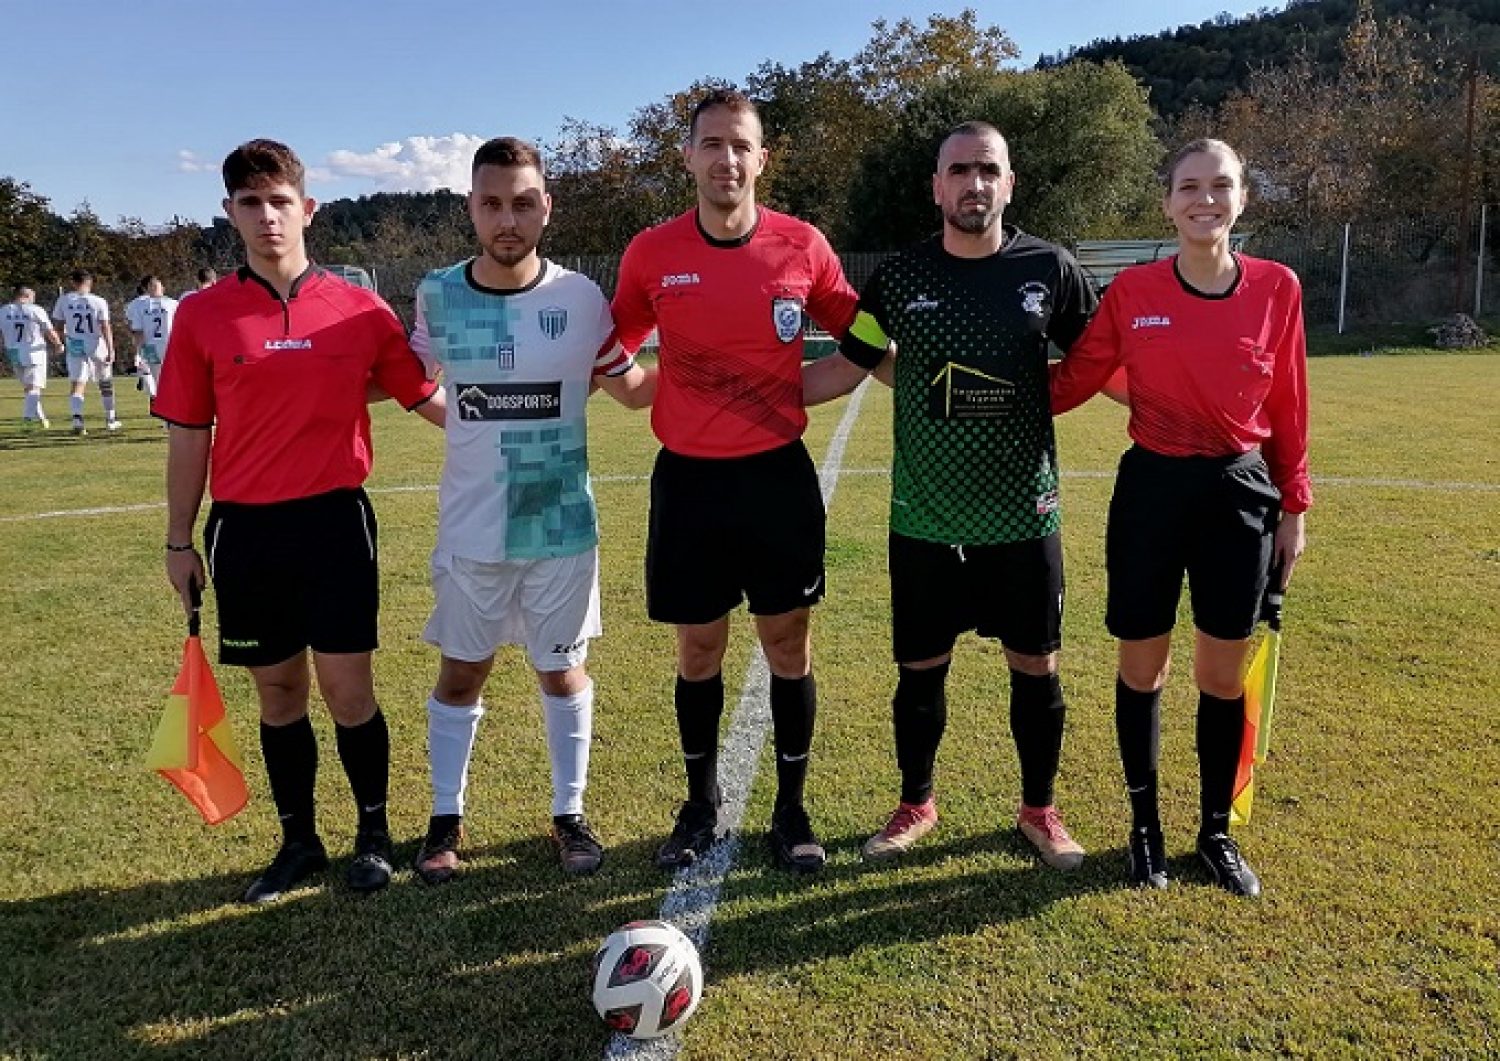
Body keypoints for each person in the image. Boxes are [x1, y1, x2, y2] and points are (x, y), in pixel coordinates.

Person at [154, 138, 445, 904]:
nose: (267, 216)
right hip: (245, 531)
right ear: (230, 212)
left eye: (279, 200)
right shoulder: (202, 315)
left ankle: (374, 834)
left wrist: (514, 423)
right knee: (279, 693)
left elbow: (424, 396)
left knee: (349, 690)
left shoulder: (360, 309)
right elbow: (189, 433)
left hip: (335, 524)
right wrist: (179, 540)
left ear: (307, 208)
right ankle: (298, 841)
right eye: (250, 203)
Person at [804, 121, 1097, 870]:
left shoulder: (1050, 268)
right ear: (936, 187)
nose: (975, 184)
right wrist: (746, 393)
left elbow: (1100, 363)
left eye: (988, 170)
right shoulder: (899, 277)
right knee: (919, 670)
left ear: (1010, 183)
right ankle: (916, 803)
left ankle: (1039, 811)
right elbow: (851, 362)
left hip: (1023, 514)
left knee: (1037, 667)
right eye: (960, 171)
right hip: (926, 517)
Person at [1049, 138, 1310, 898]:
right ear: (1167, 203)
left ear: (1242, 198)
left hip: (1240, 494)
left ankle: (1215, 833)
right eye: (1189, 187)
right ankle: (1144, 829)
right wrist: (990, 385)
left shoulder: (1278, 287)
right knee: (1143, 666)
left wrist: (1294, 506)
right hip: (1152, 492)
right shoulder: (1134, 292)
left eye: (1220, 186)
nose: (1206, 200)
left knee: (1221, 675)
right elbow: (1074, 379)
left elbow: (1289, 401)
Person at [611, 89, 858, 873]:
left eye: (740, 145)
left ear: (761, 158)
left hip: (776, 480)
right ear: (688, 156)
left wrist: (803, 386)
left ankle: (791, 809)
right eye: (711, 143)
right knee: (698, 648)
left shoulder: (802, 244)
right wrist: (645, 391)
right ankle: (699, 804)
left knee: (787, 643)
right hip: (689, 484)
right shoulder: (651, 252)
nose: (726, 158)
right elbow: (612, 345)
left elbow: (860, 331)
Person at [407, 137, 655, 883]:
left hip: (559, 526)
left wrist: (722, 363)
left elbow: (632, 389)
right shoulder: (438, 294)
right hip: (473, 528)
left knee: (563, 671)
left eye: (521, 203)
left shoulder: (580, 299)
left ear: (546, 206)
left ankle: (569, 813)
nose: (507, 220)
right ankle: (445, 817)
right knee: (461, 674)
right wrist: (462, 420)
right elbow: (410, 378)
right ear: (471, 208)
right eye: (492, 204)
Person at [51, 270, 118, 434]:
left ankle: (77, 419)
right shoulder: (99, 301)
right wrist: (111, 349)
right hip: (96, 343)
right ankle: (110, 419)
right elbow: (105, 326)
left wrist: (61, 342)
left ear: (74, 283)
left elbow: (58, 326)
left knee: (78, 382)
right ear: (90, 283)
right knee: (105, 382)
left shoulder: (64, 300)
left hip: (75, 343)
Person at [2, 286, 63, 428]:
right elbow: (49, 331)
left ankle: (42, 418)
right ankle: (27, 420)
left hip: (13, 352)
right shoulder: (35, 310)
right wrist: (58, 344)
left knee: (29, 389)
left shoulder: (4, 311)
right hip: (33, 352)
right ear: (27, 296)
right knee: (34, 388)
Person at [126, 276, 179, 400]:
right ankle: (169, 404)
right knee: (171, 380)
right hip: (169, 346)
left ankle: (159, 402)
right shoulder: (173, 303)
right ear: (162, 288)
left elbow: (137, 331)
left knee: (158, 381)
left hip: (151, 347)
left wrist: (138, 352)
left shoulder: (140, 305)